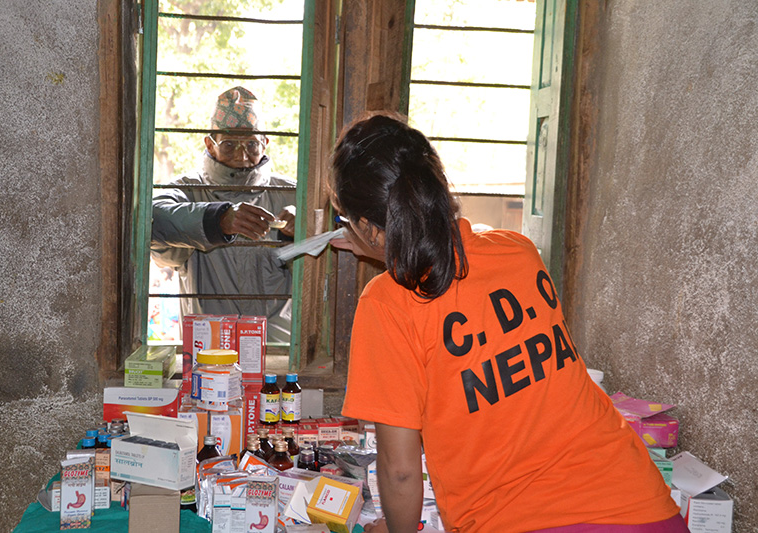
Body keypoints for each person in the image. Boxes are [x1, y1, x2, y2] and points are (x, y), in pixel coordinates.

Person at [331, 114, 688, 533]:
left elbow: (400, 471)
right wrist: (392, 251)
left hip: (523, 519)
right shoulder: (518, 251)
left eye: (347, 220)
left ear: (370, 230)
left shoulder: (387, 303)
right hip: (641, 505)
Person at [151, 86, 296, 343]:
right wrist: (216, 220)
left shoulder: (293, 195)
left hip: (278, 351)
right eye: (229, 144)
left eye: (252, 143)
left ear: (266, 141)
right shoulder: (187, 191)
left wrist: (298, 233)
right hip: (209, 351)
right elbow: (152, 221)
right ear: (210, 143)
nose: (242, 155)